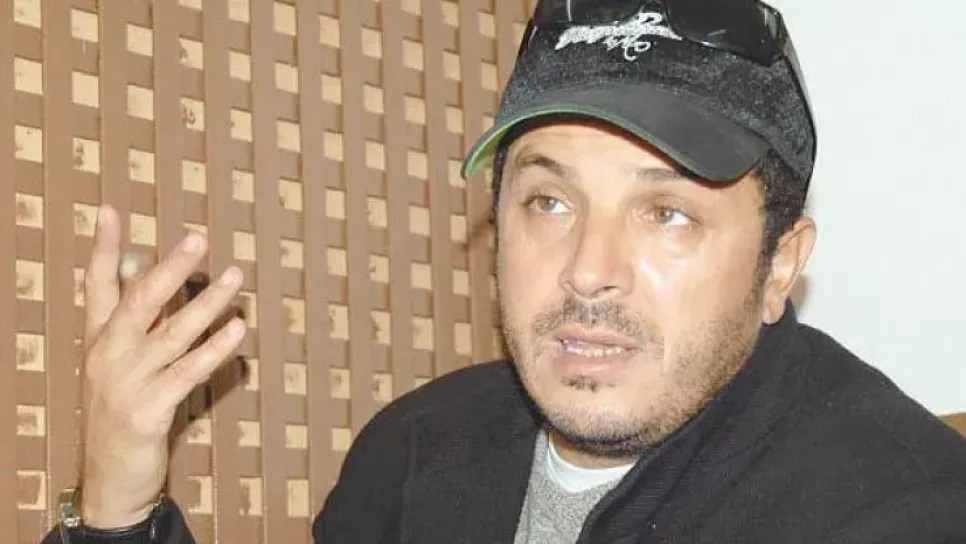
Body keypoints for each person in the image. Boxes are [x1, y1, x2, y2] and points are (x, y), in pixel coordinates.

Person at [42, 0, 966, 542]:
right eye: (548, 202)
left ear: (779, 267)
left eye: (668, 213)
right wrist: (121, 499)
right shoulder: (411, 453)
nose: (588, 272)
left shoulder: (898, 509)